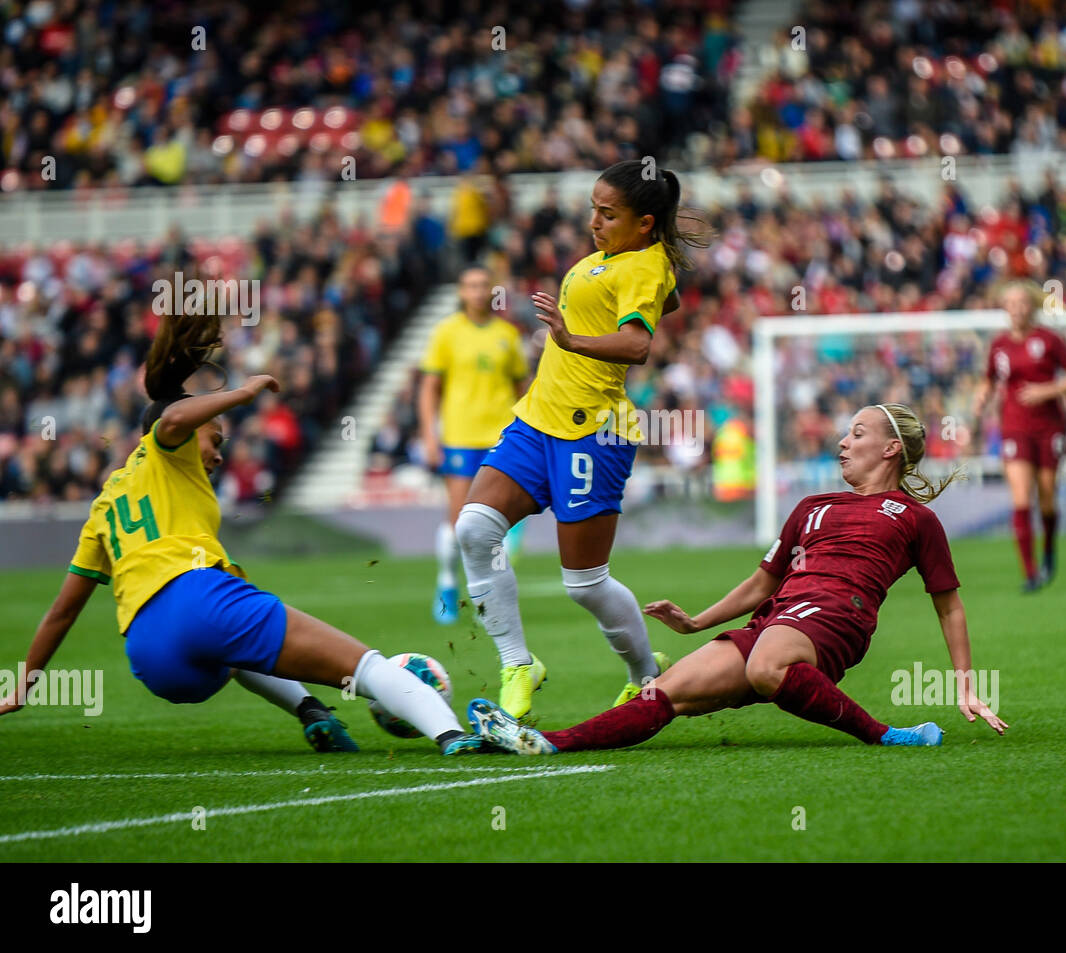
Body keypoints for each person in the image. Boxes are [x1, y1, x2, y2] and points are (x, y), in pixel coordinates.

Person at [0, 313, 482, 755]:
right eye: (215, 438)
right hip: (195, 597)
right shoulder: (169, 446)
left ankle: (312, 712)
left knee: (234, 644)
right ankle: (455, 735)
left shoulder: (106, 503)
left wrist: (24, 684)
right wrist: (243, 393)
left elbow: (63, 611)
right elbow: (170, 419)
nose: (218, 454)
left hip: (152, 655)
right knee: (366, 666)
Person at [462, 404, 1008, 755]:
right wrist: (696, 622)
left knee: (770, 664)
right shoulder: (812, 506)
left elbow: (948, 604)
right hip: (777, 619)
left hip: (837, 619)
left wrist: (965, 683)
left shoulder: (914, 518)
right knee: (663, 693)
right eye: (845, 431)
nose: (843, 441)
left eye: (858, 433)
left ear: (891, 449)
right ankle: (542, 742)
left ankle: (886, 735)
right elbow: (762, 583)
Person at [455, 159, 711, 721]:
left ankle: (646, 674)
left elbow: (636, 346)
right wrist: (661, 278)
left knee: (584, 583)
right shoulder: (624, 260)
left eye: (607, 213)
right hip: (537, 419)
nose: (593, 221)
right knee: (474, 527)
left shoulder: (640, 266)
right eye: (593, 208)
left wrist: (568, 338)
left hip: (595, 431)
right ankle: (518, 663)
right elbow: (663, 298)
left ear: (644, 223)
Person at [418, 263, 529, 624]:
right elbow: (429, 388)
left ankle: (486, 595)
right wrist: (430, 436)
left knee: (498, 525)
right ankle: (447, 580)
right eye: (471, 286)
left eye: (484, 285)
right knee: (458, 521)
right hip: (460, 438)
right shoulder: (446, 333)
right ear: (461, 292)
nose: (479, 292)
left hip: (501, 438)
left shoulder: (507, 335)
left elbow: (520, 388)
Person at [974, 281, 1066, 592]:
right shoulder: (999, 345)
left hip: (1049, 427)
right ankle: (1030, 573)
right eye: (1012, 303)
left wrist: (1046, 390)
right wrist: (981, 397)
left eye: (1023, 302)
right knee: (1021, 498)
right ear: (1005, 308)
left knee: (1046, 498)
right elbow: (988, 381)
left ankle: (1048, 549)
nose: (1017, 308)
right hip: (1014, 427)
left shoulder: (1049, 340)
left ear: (1032, 306)